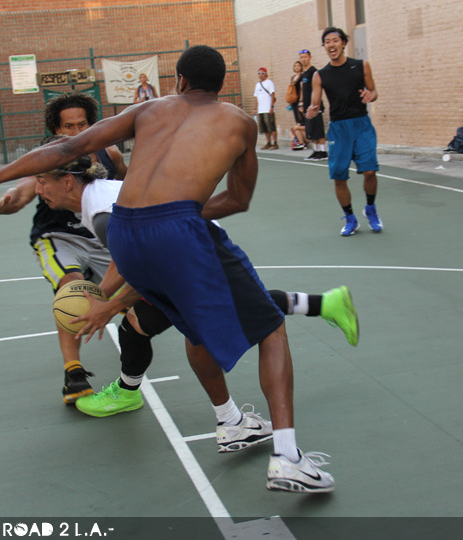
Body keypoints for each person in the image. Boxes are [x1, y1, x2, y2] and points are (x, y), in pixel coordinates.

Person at [0, 45, 336, 493]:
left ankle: (231, 423)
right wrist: (181, 216)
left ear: (180, 80)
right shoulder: (241, 122)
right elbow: (238, 199)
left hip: (124, 231)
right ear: (221, 84)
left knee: (194, 330)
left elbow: (69, 147)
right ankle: (287, 458)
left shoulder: (149, 108)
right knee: (271, 327)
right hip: (176, 229)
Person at [29, 142, 359, 438]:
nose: (37, 189)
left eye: (42, 180)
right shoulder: (99, 201)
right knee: (144, 329)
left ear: (68, 181)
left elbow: (151, 267)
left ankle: (241, 427)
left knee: (218, 330)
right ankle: (209, 415)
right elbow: (128, 262)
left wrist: (108, 305)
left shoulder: (103, 215)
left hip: (200, 256)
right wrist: (101, 297)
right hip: (184, 256)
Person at [0, 92, 127, 404]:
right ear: (56, 130)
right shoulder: (47, 158)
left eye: (82, 125)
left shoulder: (110, 155)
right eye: (68, 126)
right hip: (58, 236)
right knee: (71, 289)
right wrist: (1, 207)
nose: (76, 132)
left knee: (136, 300)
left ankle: (132, 368)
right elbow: (21, 194)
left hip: (101, 237)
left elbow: (128, 186)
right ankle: (74, 373)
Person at [307, 27, 382, 237]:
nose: (331, 44)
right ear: (324, 47)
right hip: (339, 129)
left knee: (369, 171)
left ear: (343, 43)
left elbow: (373, 91)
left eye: (335, 40)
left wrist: (372, 95)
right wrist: (313, 110)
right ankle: (350, 218)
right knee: (339, 177)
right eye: (327, 42)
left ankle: (370, 209)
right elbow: (315, 103)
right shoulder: (320, 75)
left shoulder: (361, 65)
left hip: (361, 125)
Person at [298, 49, 328, 161]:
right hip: (307, 107)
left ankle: (323, 152)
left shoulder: (314, 72)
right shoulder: (304, 73)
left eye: (305, 57)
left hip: (315, 106)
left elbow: (318, 89)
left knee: (318, 130)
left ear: (310, 58)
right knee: (312, 130)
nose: (303, 59)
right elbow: (303, 89)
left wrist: (316, 104)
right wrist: (301, 103)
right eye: (301, 57)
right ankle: (316, 151)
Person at [254, 67, 278, 150]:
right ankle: (268, 142)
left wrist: (272, 106)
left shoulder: (269, 83)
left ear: (266, 74)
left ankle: (275, 143)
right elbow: (256, 97)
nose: (260, 75)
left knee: (271, 126)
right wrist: (255, 108)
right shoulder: (257, 85)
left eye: (262, 73)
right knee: (264, 127)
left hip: (268, 108)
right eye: (259, 73)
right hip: (261, 109)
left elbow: (272, 94)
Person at [287, 61, 306, 150]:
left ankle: (300, 134)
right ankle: (297, 138)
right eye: (295, 66)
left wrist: (301, 100)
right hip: (294, 100)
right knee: (296, 117)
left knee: (300, 116)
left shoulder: (302, 76)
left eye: (298, 66)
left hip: (299, 100)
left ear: (301, 67)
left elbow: (302, 89)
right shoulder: (293, 77)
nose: (297, 67)